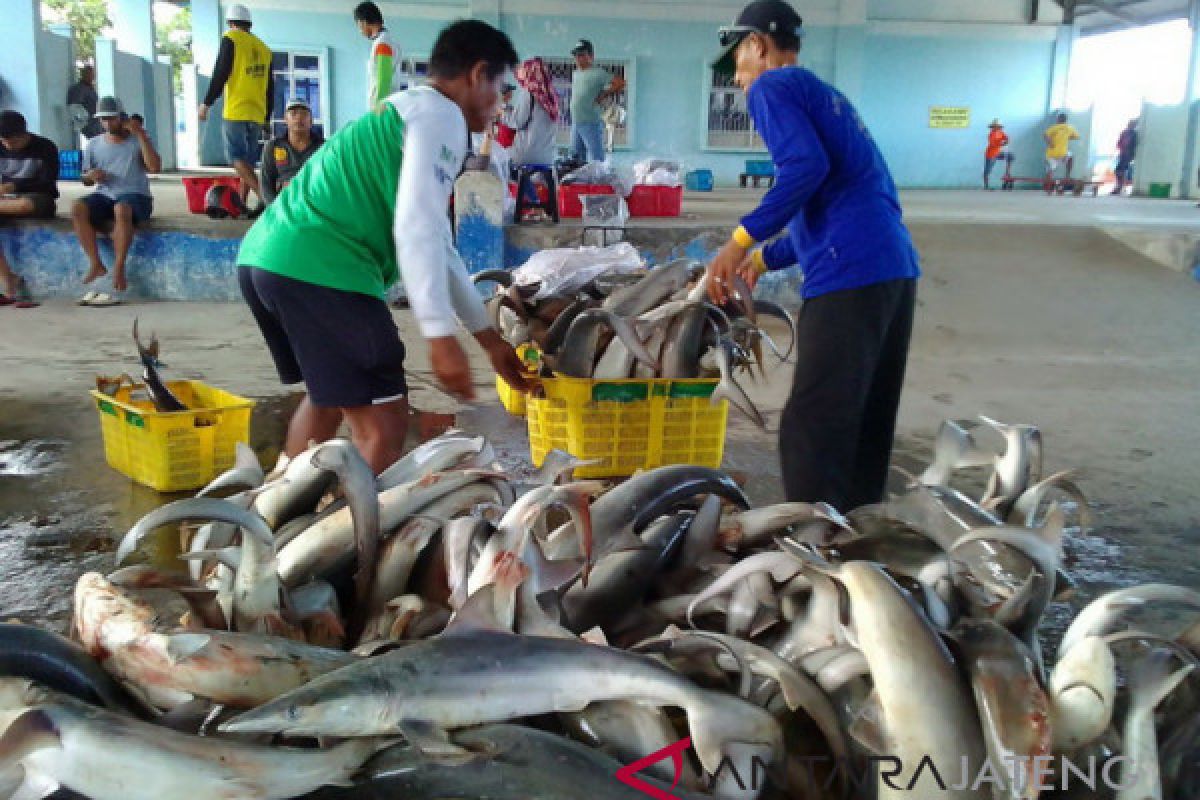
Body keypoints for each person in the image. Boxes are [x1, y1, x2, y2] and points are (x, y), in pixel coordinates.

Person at [236, 19, 529, 475]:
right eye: (500, 88)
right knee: (383, 425)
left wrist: (488, 341)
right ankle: (349, 542)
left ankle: (276, 520)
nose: (498, 107)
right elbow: (417, 226)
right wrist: (438, 335)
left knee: (330, 395)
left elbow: (438, 242)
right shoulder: (442, 116)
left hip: (267, 258)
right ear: (477, 74)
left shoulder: (408, 110)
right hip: (326, 267)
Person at [705, 0, 921, 512]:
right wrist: (761, 261)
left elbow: (805, 168)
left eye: (737, 59)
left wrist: (739, 242)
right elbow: (832, 201)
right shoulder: (826, 95)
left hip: (850, 273)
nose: (737, 78)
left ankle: (815, 552)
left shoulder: (772, 87)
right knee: (863, 424)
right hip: (893, 270)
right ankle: (862, 544)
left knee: (812, 426)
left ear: (757, 45)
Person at [73, 96, 161, 305]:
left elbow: (155, 167)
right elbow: (85, 178)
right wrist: (91, 176)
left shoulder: (136, 141)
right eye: (104, 119)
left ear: (122, 118)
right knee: (77, 208)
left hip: (135, 194)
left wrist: (140, 134)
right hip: (106, 193)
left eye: (112, 118)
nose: (108, 123)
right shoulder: (94, 144)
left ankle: (119, 268)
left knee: (122, 209)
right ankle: (96, 263)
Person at [199, 3, 273, 210]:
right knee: (246, 163)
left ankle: (266, 198)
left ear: (230, 23)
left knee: (236, 158)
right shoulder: (264, 48)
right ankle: (241, 204)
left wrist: (207, 103)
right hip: (257, 111)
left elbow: (220, 72)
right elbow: (270, 86)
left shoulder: (231, 39)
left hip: (237, 110)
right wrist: (267, 116)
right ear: (249, 24)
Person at [0, 110, 59, 308]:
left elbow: (47, 182)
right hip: (7, 200)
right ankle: (8, 278)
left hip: (39, 197)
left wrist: (15, 187)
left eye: (13, 141)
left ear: (24, 134)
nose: (8, 146)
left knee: (27, 204)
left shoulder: (45, 147)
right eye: (4, 141)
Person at [568, 40, 625, 163]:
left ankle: (600, 181)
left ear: (591, 56)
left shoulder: (598, 73)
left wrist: (604, 94)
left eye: (582, 54)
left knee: (597, 160)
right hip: (576, 122)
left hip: (590, 123)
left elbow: (620, 83)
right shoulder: (576, 73)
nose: (578, 58)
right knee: (575, 160)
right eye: (576, 55)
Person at [260, 98, 323, 205]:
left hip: (315, 203)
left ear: (311, 121)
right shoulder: (273, 147)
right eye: (293, 114)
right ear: (285, 119)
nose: (299, 118)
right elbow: (265, 184)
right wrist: (275, 209)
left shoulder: (323, 147)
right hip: (284, 205)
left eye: (304, 114)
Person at [354, 2, 405, 112]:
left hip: (382, 110)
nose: (360, 31)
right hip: (387, 106)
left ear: (363, 22)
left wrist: (377, 113)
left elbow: (384, 80)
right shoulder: (387, 42)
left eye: (358, 26)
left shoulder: (383, 44)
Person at [1044, 112, 1080, 189]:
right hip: (1062, 153)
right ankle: (1067, 175)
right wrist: (1067, 137)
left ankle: (1048, 185)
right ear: (1066, 120)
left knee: (1050, 169)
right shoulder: (1069, 128)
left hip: (1052, 153)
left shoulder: (1054, 127)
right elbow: (1076, 136)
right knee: (1070, 157)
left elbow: (1045, 135)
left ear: (1058, 119)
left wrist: (1050, 143)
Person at [66, 65, 102, 139]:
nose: (92, 77)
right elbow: (74, 108)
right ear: (83, 74)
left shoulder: (90, 88)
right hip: (88, 125)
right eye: (90, 74)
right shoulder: (78, 89)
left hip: (96, 122)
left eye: (93, 74)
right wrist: (83, 123)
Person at [984, 119, 1013, 190]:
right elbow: (993, 144)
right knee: (988, 170)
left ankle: (1007, 174)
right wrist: (1002, 144)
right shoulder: (991, 135)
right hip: (991, 154)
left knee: (1011, 156)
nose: (996, 128)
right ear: (992, 127)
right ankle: (986, 186)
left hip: (998, 153)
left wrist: (1007, 140)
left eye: (997, 126)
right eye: (994, 127)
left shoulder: (1000, 132)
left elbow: (1006, 137)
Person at [1113, 118, 1138, 196]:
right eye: (1130, 124)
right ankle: (1119, 186)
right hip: (1122, 154)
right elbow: (1119, 143)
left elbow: (1134, 145)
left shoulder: (1134, 134)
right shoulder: (1124, 133)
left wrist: (1130, 153)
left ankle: (1120, 187)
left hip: (1128, 155)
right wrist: (1122, 149)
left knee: (1122, 170)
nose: (1131, 125)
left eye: (1133, 124)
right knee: (1118, 170)